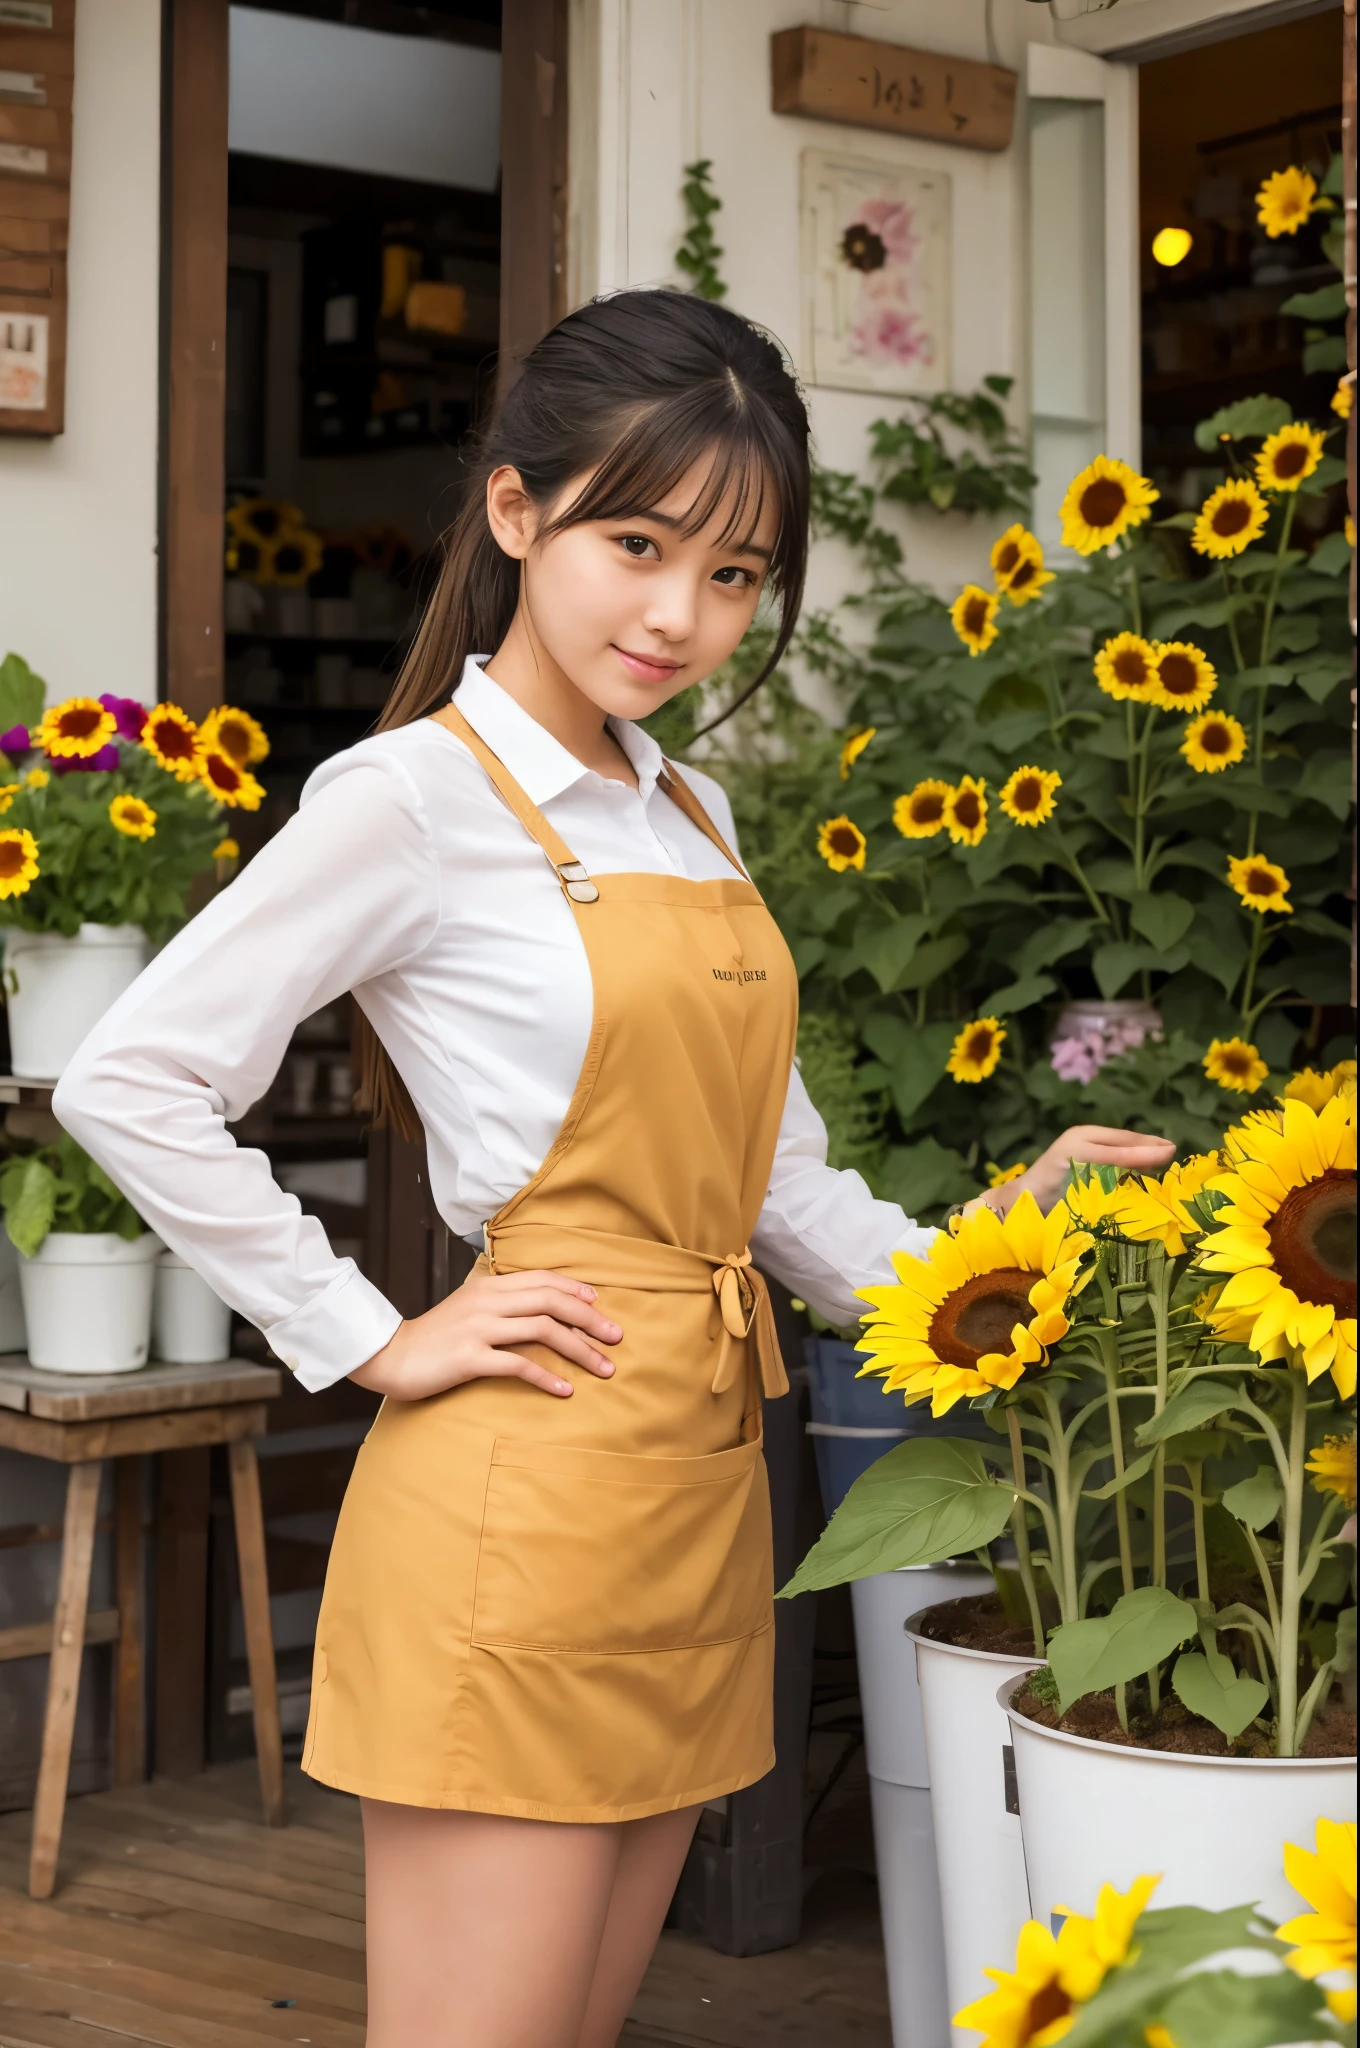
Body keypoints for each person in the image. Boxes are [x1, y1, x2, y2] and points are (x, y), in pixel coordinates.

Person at [55, 288, 1175, 2048]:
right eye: (638, 544)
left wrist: (986, 1256)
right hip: (523, 1499)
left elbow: (776, 1188)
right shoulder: (408, 799)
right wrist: (366, 1336)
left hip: (704, 1482)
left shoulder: (689, 816)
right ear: (516, 515)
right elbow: (133, 1077)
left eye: (734, 575)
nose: (681, 615)